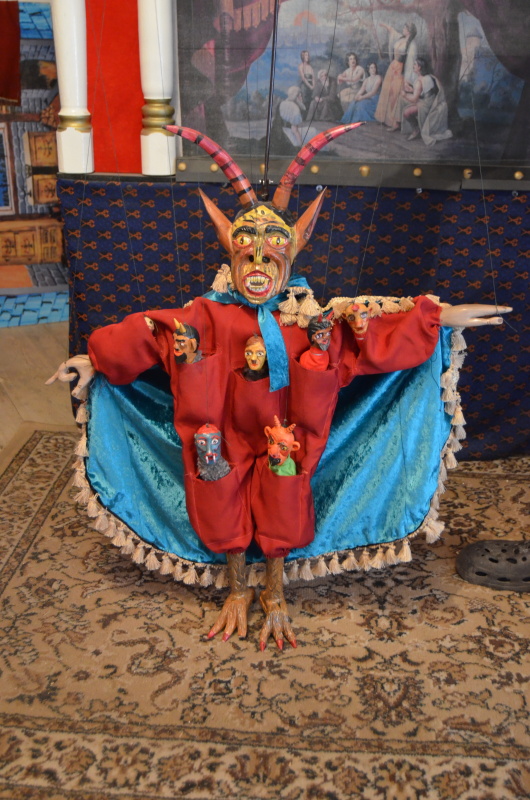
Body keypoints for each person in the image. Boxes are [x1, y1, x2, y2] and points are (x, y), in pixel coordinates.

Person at [48, 124, 510, 651]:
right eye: (247, 249)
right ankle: (236, 589)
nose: (259, 263)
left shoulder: (308, 317)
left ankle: (275, 592)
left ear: (294, 249)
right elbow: (152, 333)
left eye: (273, 250)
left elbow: (369, 337)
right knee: (218, 494)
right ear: (230, 249)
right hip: (221, 435)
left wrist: (438, 318)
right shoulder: (206, 314)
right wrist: (94, 358)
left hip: (285, 436)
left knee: (283, 499)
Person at [399, 58, 453, 145]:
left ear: (419, 67)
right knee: (403, 101)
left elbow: (415, 98)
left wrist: (405, 94)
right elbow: (423, 92)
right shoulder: (426, 77)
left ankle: (416, 129)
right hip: (428, 101)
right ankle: (416, 128)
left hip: (427, 105)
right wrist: (412, 90)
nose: (413, 66)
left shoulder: (421, 80)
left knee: (406, 112)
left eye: (415, 64)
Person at [375, 21, 417, 130]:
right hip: (393, 67)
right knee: (387, 90)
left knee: (395, 94)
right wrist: (385, 25)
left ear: (409, 31)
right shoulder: (400, 38)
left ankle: (395, 123)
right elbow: (392, 31)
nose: (403, 29)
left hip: (401, 70)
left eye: (405, 28)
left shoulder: (412, 44)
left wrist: (406, 79)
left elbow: (410, 62)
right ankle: (385, 119)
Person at [297, 50, 314, 118]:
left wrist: (313, 85)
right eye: (306, 55)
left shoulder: (310, 67)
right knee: (304, 101)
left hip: (310, 86)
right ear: (303, 56)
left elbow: (313, 78)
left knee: (309, 101)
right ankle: (302, 117)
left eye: (308, 55)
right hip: (304, 86)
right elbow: (303, 78)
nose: (308, 56)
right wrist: (309, 86)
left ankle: (307, 117)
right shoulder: (301, 66)